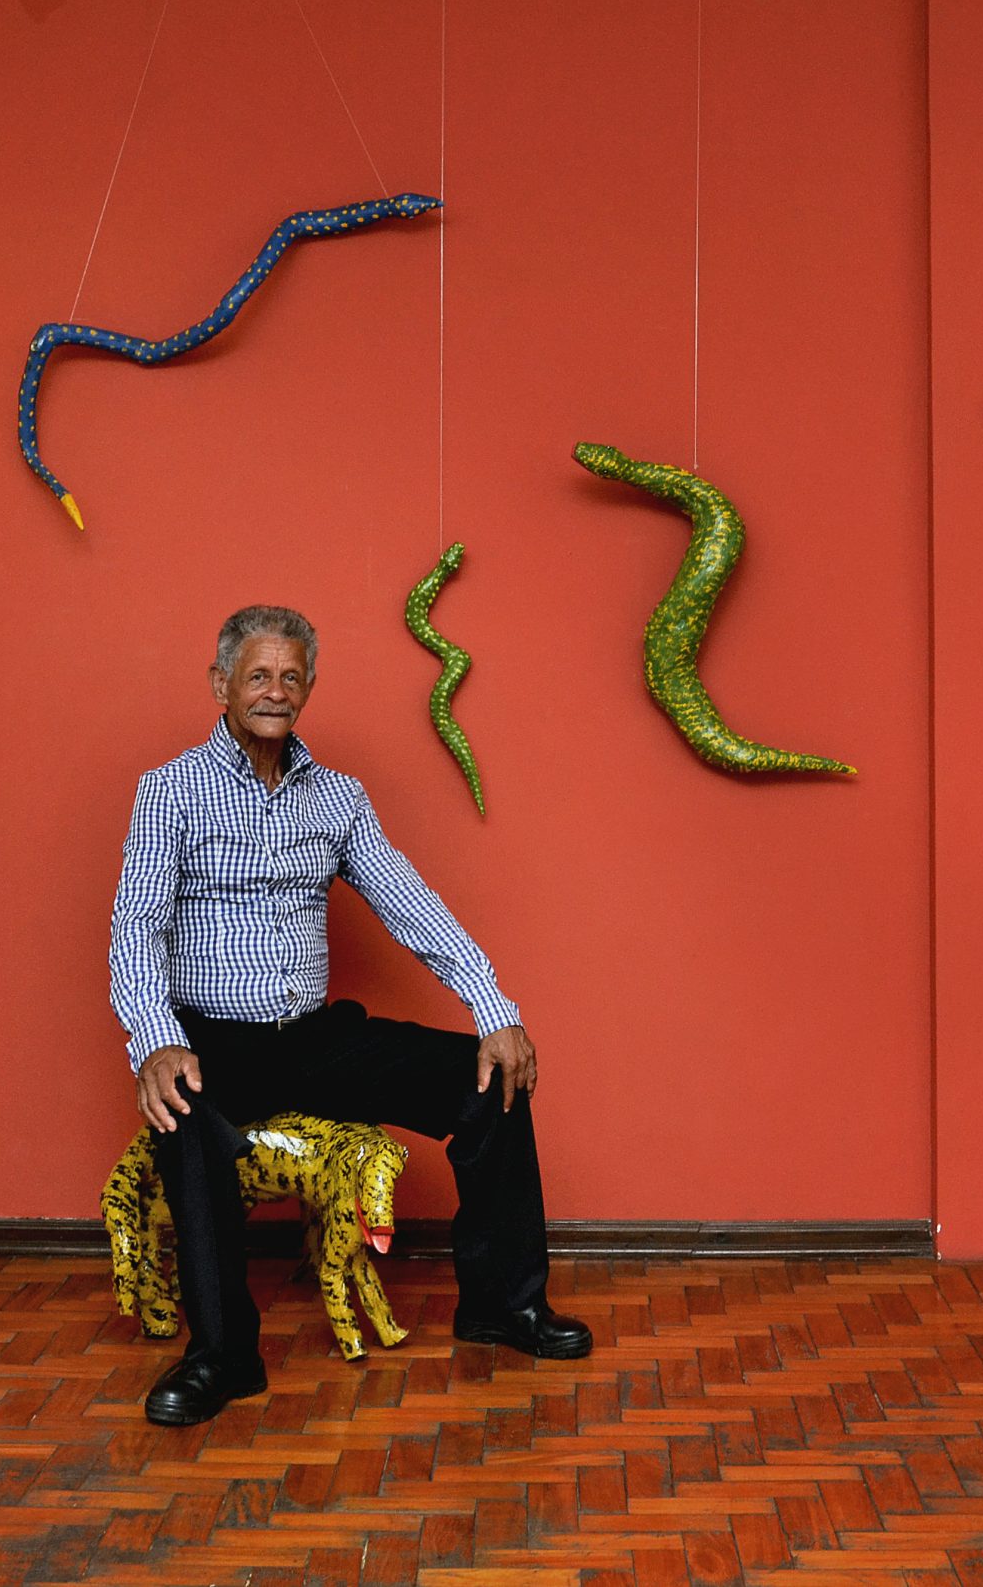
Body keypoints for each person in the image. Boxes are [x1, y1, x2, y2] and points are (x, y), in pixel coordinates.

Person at [109, 604, 591, 1426]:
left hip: (313, 1037)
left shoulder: (338, 797)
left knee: (491, 1080)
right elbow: (136, 924)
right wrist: (156, 1039)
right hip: (210, 1041)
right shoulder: (170, 790)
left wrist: (494, 1007)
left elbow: (410, 902)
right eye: (258, 675)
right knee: (185, 1118)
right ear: (221, 684)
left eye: (290, 676)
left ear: (308, 689)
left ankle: (503, 1304)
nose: (275, 690)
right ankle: (222, 1354)